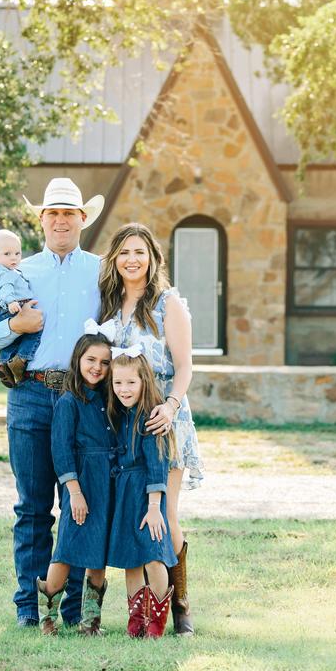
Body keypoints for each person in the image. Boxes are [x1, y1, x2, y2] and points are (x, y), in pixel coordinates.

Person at [0, 177, 105, 629]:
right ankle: (29, 607)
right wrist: (19, 327)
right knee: (32, 506)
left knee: (77, 506)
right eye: (53, 213)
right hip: (30, 394)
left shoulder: (101, 271)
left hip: (83, 399)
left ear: (83, 219)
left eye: (70, 213)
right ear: (41, 220)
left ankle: (69, 609)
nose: (61, 220)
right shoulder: (16, 271)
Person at [98, 222, 202, 635]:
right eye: (124, 252)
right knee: (132, 514)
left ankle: (180, 605)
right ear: (115, 259)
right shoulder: (108, 304)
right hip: (120, 427)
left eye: (140, 251)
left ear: (153, 258)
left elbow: (185, 366)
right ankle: (140, 609)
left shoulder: (167, 304)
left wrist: (171, 406)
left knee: (167, 516)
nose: (132, 259)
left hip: (162, 420)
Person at [37, 328, 115, 636]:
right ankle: (48, 619)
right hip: (79, 485)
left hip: (106, 484)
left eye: (105, 362)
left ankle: (90, 622)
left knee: (99, 552)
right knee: (67, 549)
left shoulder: (110, 401)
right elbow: (61, 449)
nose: (97, 367)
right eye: (91, 359)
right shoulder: (69, 402)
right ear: (78, 360)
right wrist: (74, 492)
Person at [105, 347, 178, 639]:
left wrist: (153, 506)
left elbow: (157, 465)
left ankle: (157, 621)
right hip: (124, 494)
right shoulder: (118, 413)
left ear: (144, 382)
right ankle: (136, 621)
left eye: (130, 383)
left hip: (148, 497)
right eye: (118, 383)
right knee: (131, 559)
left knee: (152, 555)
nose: (124, 389)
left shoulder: (150, 417)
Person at [0, 229, 38, 388]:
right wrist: (11, 302)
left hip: (4, 309)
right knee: (34, 332)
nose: (14, 258)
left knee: (12, 341)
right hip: (13, 307)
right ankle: (22, 359)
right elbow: (5, 289)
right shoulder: (5, 274)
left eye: (17, 253)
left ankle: (4, 363)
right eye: (7, 254)